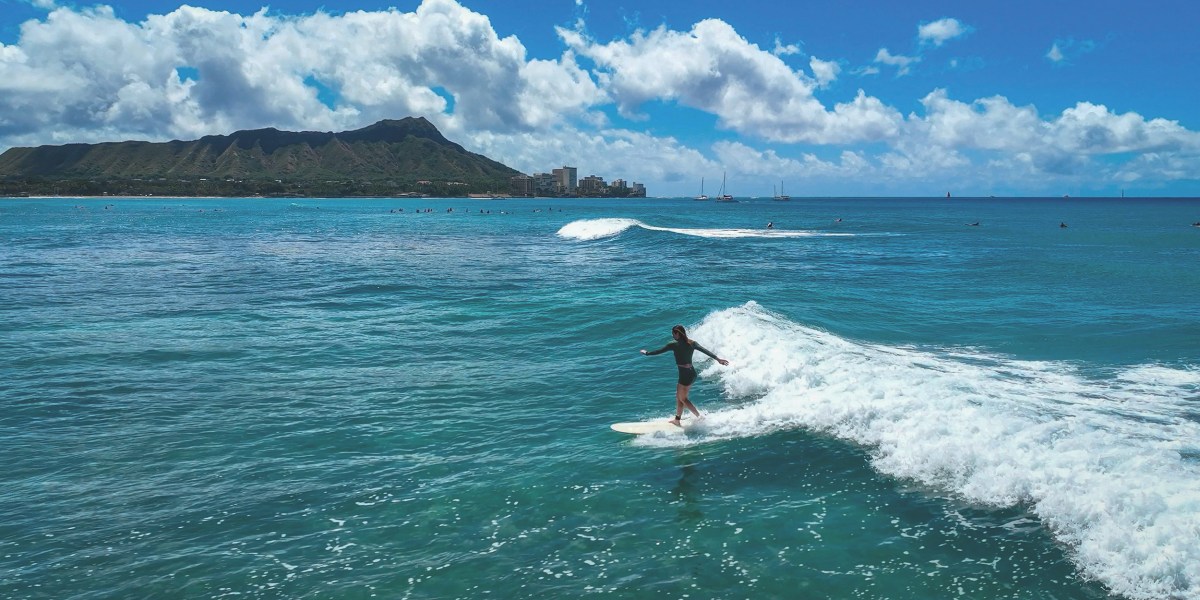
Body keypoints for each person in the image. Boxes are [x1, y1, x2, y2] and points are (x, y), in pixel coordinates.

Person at [640, 325, 730, 426]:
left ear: (677, 333)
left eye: (673, 333)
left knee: (683, 398)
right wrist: (718, 359)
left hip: (684, 375)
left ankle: (699, 417)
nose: (672, 336)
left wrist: (647, 353)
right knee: (679, 397)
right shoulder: (692, 343)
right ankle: (677, 420)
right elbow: (705, 351)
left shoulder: (673, 345)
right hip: (692, 373)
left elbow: (659, 351)